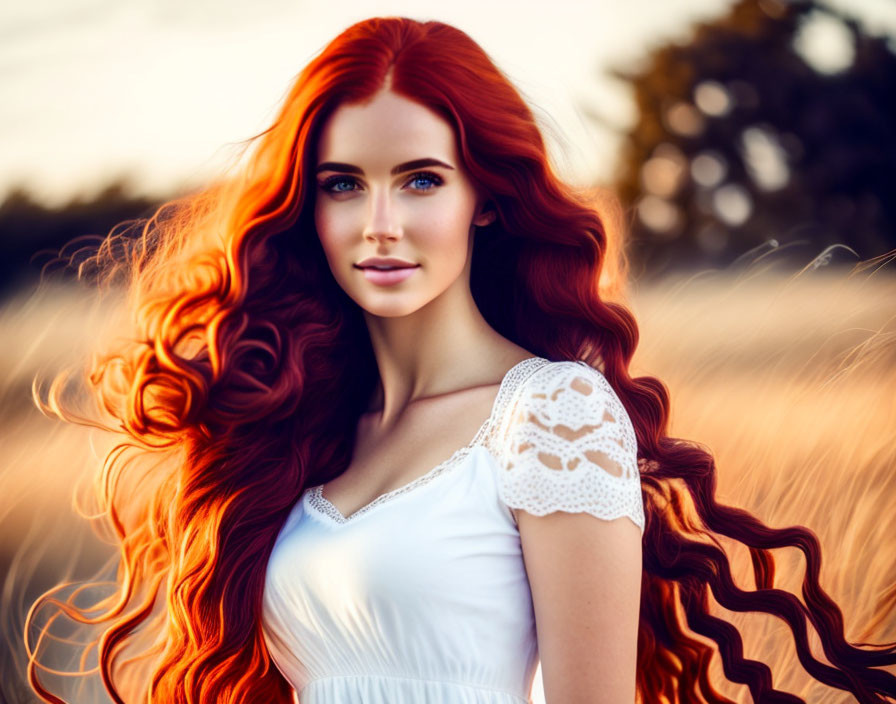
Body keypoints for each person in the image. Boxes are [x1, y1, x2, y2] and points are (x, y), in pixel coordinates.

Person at [24, 16, 896, 704]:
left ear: (485, 197)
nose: (380, 226)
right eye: (343, 184)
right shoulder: (308, 426)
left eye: (421, 179)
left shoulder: (553, 413)